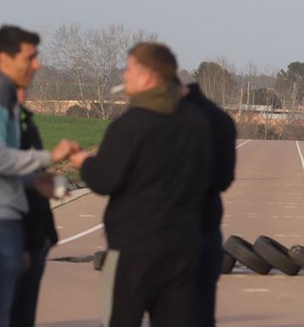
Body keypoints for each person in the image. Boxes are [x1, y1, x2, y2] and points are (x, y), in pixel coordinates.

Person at [70, 42, 213, 327]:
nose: (124, 76)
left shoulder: (131, 124)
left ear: (148, 76)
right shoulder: (196, 122)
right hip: (183, 247)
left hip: (133, 250)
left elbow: (103, 180)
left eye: (129, 69)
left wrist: (82, 162)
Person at [0, 25, 78, 327]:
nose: (37, 65)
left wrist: (33, 181)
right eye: (30, 57)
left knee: (0, 312)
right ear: (5, 58)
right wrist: (49, 157)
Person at [183, 81, 236, 327]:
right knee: (202, 309)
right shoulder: (221, 120)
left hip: (162, 233)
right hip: (207, 226)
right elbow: (225, 179)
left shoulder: (161, 119)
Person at [10, 87, 60, 327]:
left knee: (24, 310)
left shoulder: (26, 120)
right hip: (12, 227)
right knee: (2, 309)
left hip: (37, 227)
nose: (24, 92)